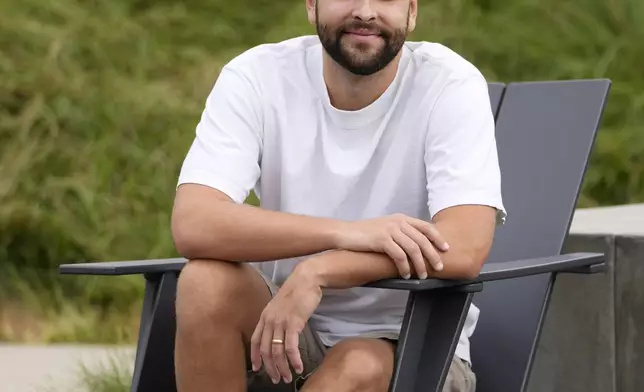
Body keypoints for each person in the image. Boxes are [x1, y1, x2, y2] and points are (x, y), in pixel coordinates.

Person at [171, 0, 506, 391]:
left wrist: (321, 271)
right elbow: (194, 222)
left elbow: (465, 246)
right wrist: (349, 233)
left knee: (356, 363)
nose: (365, 11)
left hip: (412, 350)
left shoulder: (448, 84)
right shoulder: (258, 77)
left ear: (412, 11)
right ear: (311, 6)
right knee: (204, 282)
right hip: (283, 336)